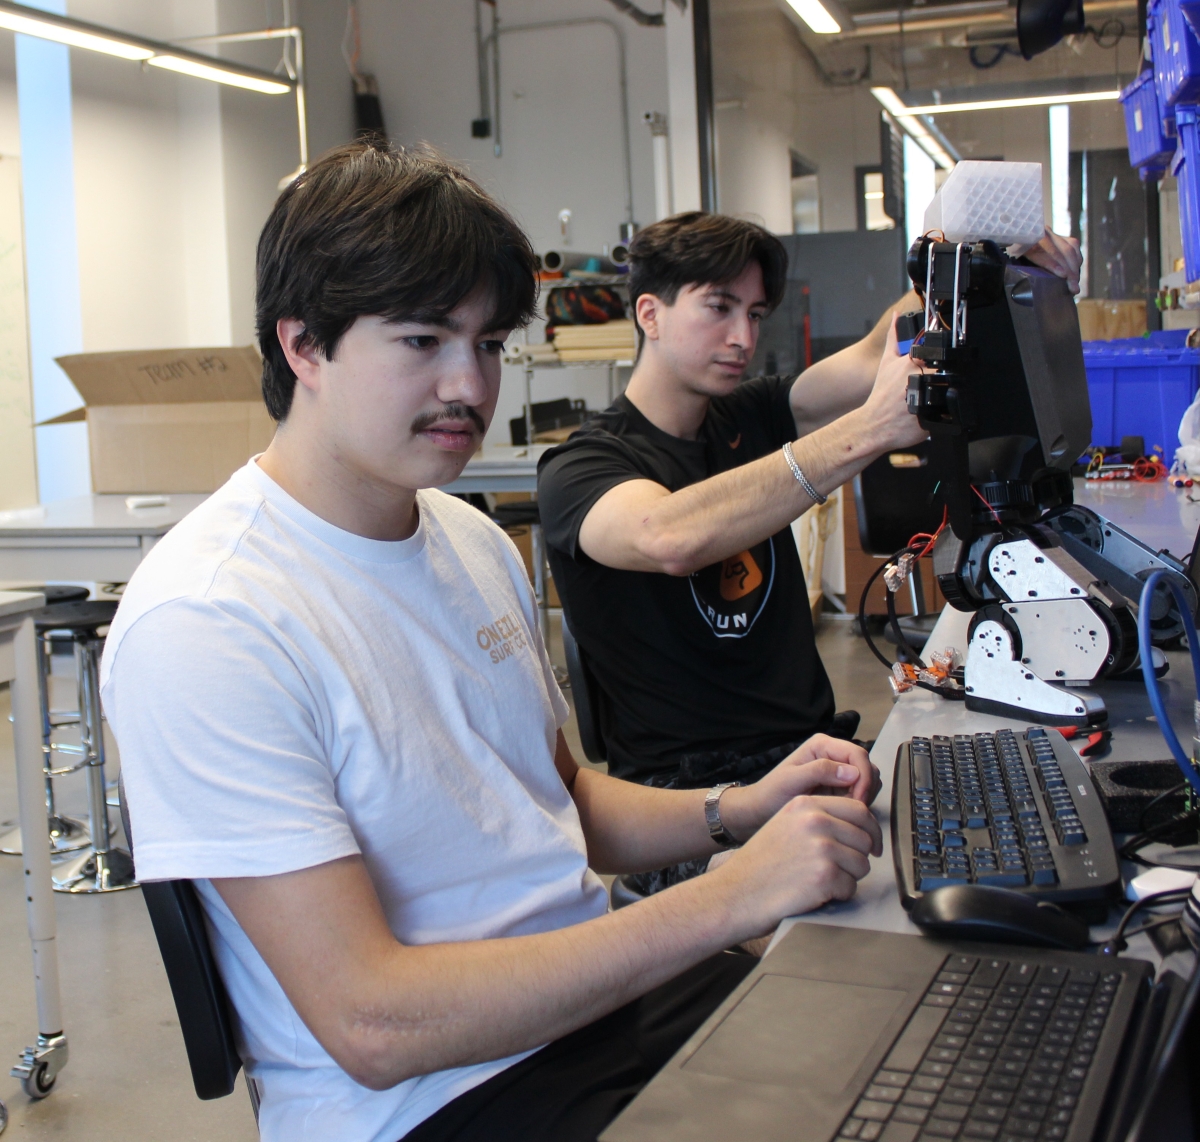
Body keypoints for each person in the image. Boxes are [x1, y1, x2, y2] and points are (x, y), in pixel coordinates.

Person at [102, 143, 885, 1142]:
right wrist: (735, 896)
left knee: (913, 1057)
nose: (468, 385)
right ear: (303, 346)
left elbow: (558, 799)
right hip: (438, 1102)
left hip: (598, 1013)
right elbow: (372, 1024)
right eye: (424, 340)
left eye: (488, 343)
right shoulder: (211, 619)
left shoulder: (467, 537)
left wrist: (740, 810)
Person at [536, 212, 1082, 892]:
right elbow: (668, 535)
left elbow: (872, 352)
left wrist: (974, 259)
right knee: (848, 927)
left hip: (813, 759)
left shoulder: (749, 414)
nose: (743, 337)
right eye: (719, 308)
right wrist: (867, 431)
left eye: (756, 313)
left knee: (998, 852)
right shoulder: (582, 468)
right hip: (689, 807)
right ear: (650, 312)